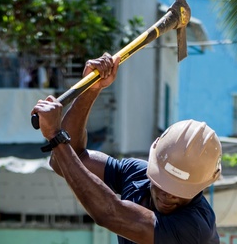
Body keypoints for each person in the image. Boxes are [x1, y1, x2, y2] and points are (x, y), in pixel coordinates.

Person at [32, 53, 222, 244]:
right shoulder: (136, 174)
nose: (168, 194)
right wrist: (90, 89)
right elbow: (69, 160)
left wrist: (56, 135)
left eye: (180, 190)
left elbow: (110, 214)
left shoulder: (195, 229)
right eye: (163, 182)